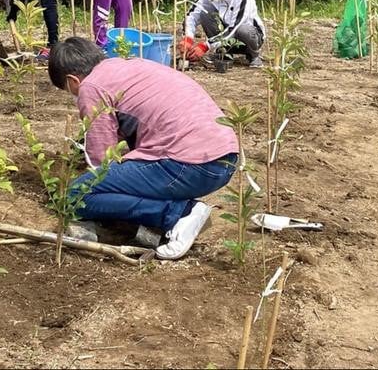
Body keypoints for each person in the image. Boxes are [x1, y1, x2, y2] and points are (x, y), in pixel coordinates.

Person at [48, 37, 239, 260]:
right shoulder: (131, 66)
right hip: (223, 157)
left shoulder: (91, 86)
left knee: (74, 196)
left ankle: (179, 214)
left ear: (72, 81)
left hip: (188, 165)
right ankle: (173, 211)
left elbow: (102, 160)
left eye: (68, 90)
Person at [178, 0, 266, 68]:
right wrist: (188, 37)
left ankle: (254, 55)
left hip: (250, 36)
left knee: (242, 29)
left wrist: (205, 46)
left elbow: (235, 27)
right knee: (205, 14)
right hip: (226, 37)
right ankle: (223, 53)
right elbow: (192, 14)